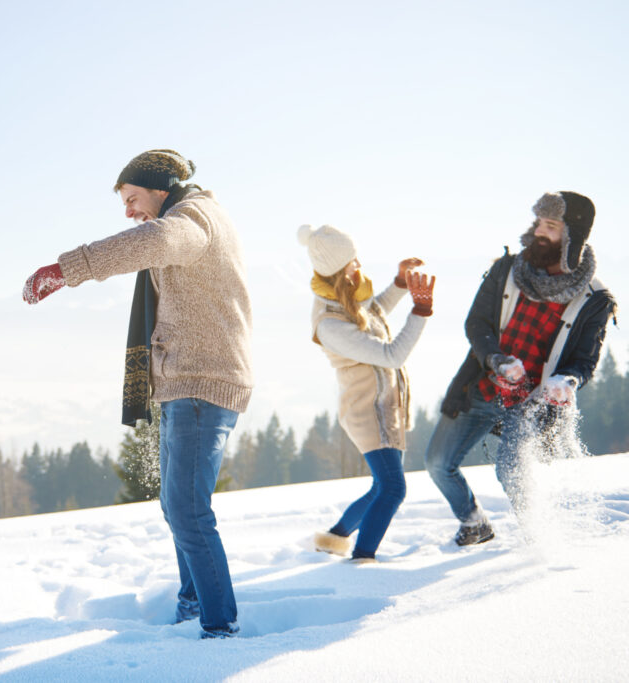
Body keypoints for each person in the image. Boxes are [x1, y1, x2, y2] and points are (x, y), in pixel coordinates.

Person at [22, 149, 253, 639]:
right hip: (185, 382)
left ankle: (219, 628)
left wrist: (68, 269)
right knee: (177, 507)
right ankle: (193, 604)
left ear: (159, 188)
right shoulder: (198, 211)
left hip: (199, 382)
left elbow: (159, 239)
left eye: (132, 199)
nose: (128, 211)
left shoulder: (191, 218)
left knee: (189, 510)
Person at [424, 191, 616, 546]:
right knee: (437, 462)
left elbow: (585, 361)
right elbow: (476, 323)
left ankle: (539, 543)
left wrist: (567, 380)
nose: (539, 231)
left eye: (551, 225)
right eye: (539, 222)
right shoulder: (508, 270)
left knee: (511, 473)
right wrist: (495, 358)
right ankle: (474, 522)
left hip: (529, 405)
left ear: (572, 237)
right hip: (480, 387)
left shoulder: (594, 298)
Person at [299, 225, 435, 563]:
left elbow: (373, 314)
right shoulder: (328, 322)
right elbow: (392, 355)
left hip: (386, 406)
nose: (358, 265)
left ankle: (334, 538)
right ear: (337, 270)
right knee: (393, 489)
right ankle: (362, 560)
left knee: (380, 486)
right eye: (351, 262)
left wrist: (400, 283)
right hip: (366, 411)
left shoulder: (347, 296)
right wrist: (421, 311)